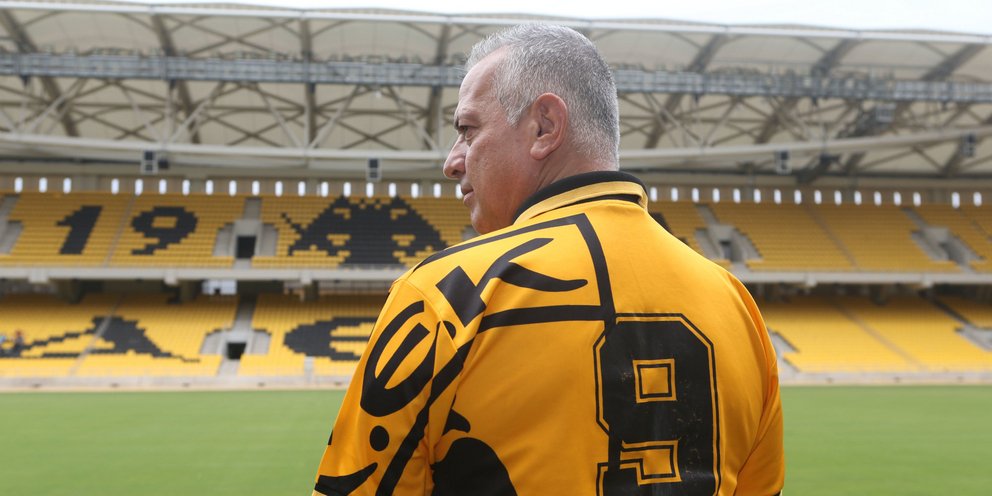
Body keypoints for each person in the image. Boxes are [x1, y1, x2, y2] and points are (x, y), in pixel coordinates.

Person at [312, 23, 784, 495]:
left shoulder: (445, 294)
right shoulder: (738, 308)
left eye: (468, 131)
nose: (452, 162)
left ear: (544, 127)